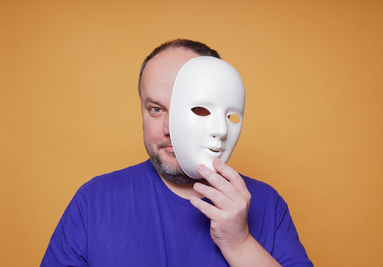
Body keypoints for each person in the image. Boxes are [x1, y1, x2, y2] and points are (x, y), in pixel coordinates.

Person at [41, 39, 313, 266]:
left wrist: (240, 242)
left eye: (193, 110)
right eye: (156, 109)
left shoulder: (267, 204)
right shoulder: (95, 201)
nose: (169, 129)